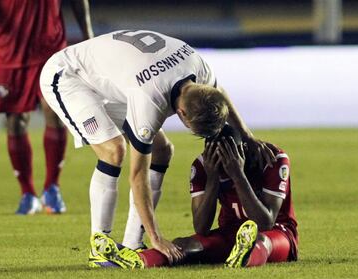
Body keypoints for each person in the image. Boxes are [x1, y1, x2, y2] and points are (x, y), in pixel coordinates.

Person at [39, 30, 276, 266]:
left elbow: (219, 93)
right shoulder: (150, 99)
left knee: (163, 150)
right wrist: (157, 237)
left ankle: (132, 242)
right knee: (114, 150)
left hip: (111, 79)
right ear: (181, 114)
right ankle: (99, 246)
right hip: (68, 76)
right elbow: (137, 175)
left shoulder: (200, 68)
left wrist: (247, 136)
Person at [93, 124, 298, 269]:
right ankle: (136, 260)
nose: (223, 164)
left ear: (242, 150)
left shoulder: (272, 159)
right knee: (184, 245)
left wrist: (237, 174)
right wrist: (213, 178)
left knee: (260, 240)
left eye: (228, 158)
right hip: (229, 234)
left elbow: (265, 221)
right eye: (217, 159)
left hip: (278, 234)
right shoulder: (202, 166)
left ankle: (245, 258)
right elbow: (201, 227)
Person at [0, 0, 94, 214]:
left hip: (50, 49)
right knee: (15, 121)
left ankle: (52, 188)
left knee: (53, 112)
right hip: (10, 50)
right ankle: (27, 193)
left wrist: (87, 34)